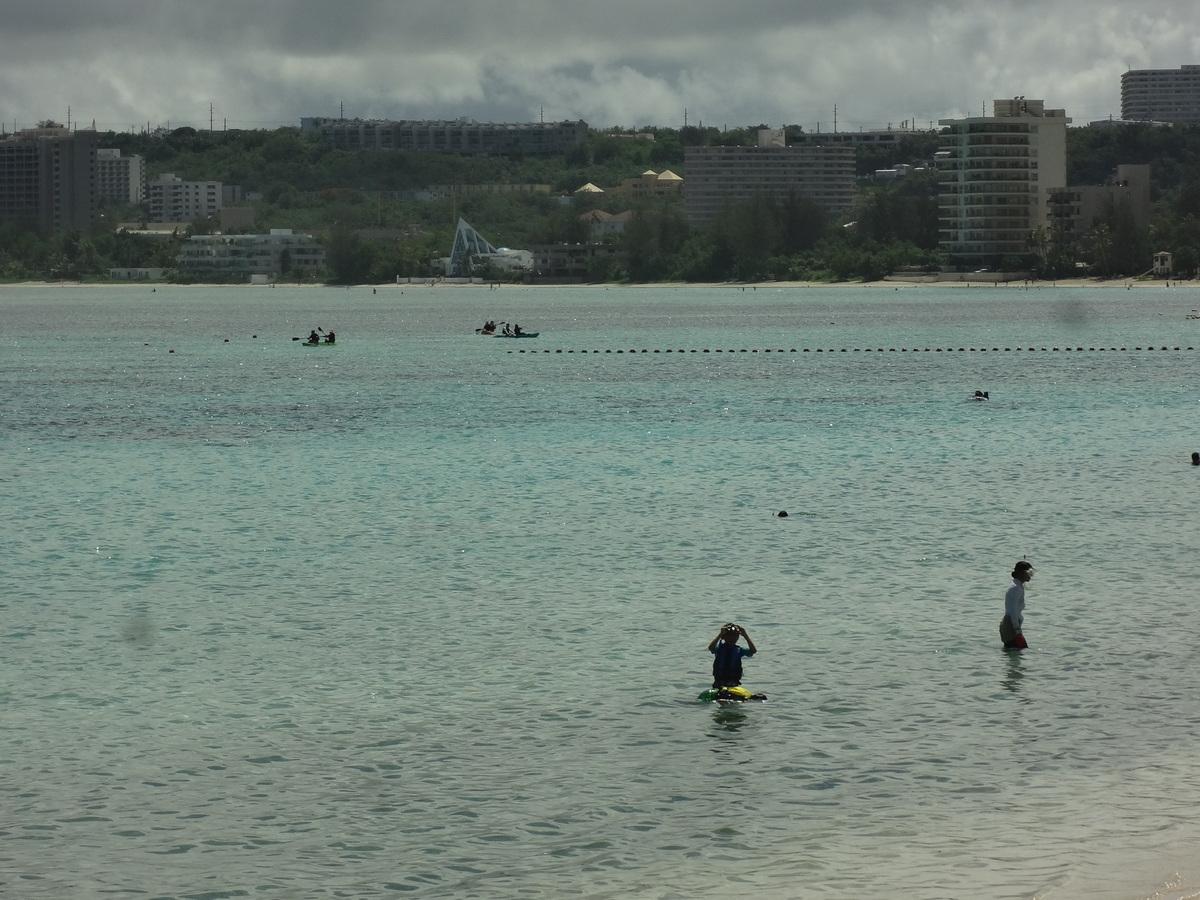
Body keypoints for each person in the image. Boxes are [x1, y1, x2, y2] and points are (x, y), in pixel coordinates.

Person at [708, 623, 757, 688]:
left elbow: (753, 651)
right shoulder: (719, 649)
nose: (733, 638)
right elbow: (711, 648)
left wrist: (745, 635)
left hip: (734, 683)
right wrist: (720, 634)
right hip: (719, 683)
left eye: (735, 636)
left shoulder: (739, 650)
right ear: (723, 637)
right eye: (729, 636)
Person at [1000, 560, 1034, 650]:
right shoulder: (1015, 588)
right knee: (1018, 653)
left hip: (1011, 625)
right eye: (1029, 572)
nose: (1031, 575)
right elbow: (1013, 611)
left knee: (1014, 654)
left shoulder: (1018, 586)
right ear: (1021, 573)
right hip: (1011, 626)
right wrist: (1017, 631)